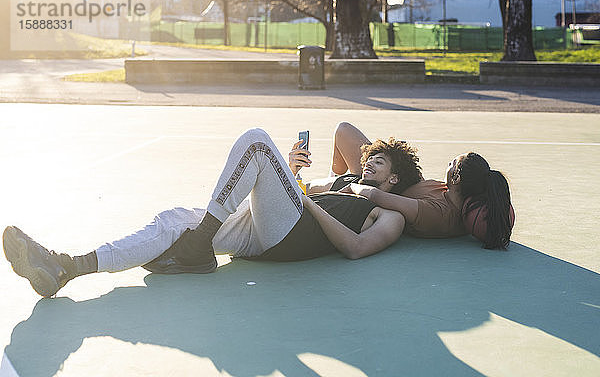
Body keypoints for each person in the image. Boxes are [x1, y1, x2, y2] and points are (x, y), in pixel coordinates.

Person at [3, 127, 422, 298]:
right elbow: (293, 192)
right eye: (368, 159)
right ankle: (66, 267)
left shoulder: (390, 215)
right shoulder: (346, 184)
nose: (367, 164)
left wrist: (306, 200)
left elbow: (354, 247)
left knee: (258, 141)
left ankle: (199, 245)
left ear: (395, 179)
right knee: (171, 220)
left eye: (379, 163)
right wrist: (292, 173)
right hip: (268, 228)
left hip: (291, 236)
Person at [329, 122, 515, 250]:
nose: (448, 165)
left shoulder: (437, 213)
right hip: (396, 180)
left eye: (452, 163)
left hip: (379, 183)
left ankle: (334, 177)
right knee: (343, 129)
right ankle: (335, 174)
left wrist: (354, 185)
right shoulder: (456, 194)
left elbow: (375, 195)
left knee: (343, 130)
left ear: (457, 179)